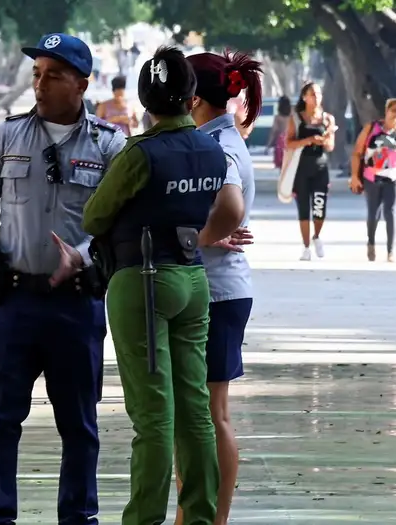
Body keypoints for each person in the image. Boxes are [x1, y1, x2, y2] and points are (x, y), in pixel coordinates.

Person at [81, 46, 246, 525]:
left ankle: (144, 518)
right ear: (190, 96)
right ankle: (199, 514)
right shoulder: (212, 151)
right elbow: (224, 209)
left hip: (143, 281)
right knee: (195, 406)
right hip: (193, 279)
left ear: (145, 100)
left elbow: (95, 216)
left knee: (154, 415)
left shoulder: (141, 153)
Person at [0, 32, 127, 525]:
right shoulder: (6, 136)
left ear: (81, 84)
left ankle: (78, 517)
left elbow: (122, 226)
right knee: (0, 421)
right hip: (12, 302)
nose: (40, 84)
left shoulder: (110, 146)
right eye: (37, 74)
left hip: (76, 307)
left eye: (53, 75)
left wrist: (82, 256)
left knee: (79, 425)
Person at [173, 49, 262, 525]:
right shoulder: (216, 135)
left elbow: (230, 208)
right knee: (199, 413)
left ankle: (209, 517)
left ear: (192, 97)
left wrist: (196, 239)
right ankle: (196, 513)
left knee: (210, 413)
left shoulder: (218, 145)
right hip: (215, 287)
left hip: (217, 291)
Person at [349, 98, 396, 262]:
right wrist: (354, 176)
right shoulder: (371, 128)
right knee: (373, 213)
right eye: (393, 110)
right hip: (372, 176)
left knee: (391, 212)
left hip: (395, 176)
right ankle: (371, 243)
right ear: (386, 111)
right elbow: (357, 153)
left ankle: (390, 251)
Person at [286, 81, 338, 261]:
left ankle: (317, 236)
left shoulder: (328, 119)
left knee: (319, 207)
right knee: (303, 209)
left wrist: (325, 140)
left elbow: (331, 146)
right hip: (301, 169)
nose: (317, 98)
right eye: (313, 94)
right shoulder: (296, 118)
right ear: (304, 97)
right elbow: (288, 143)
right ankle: (306, 246)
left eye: (319, 94)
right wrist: (308, 141)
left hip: (321, 168)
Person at [268, 96, 292, 170]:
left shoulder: (278, 117)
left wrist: (268, 144)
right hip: (291, 140)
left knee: (282, 166)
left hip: (281, 142)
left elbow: (274, 131)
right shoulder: (292, 116)